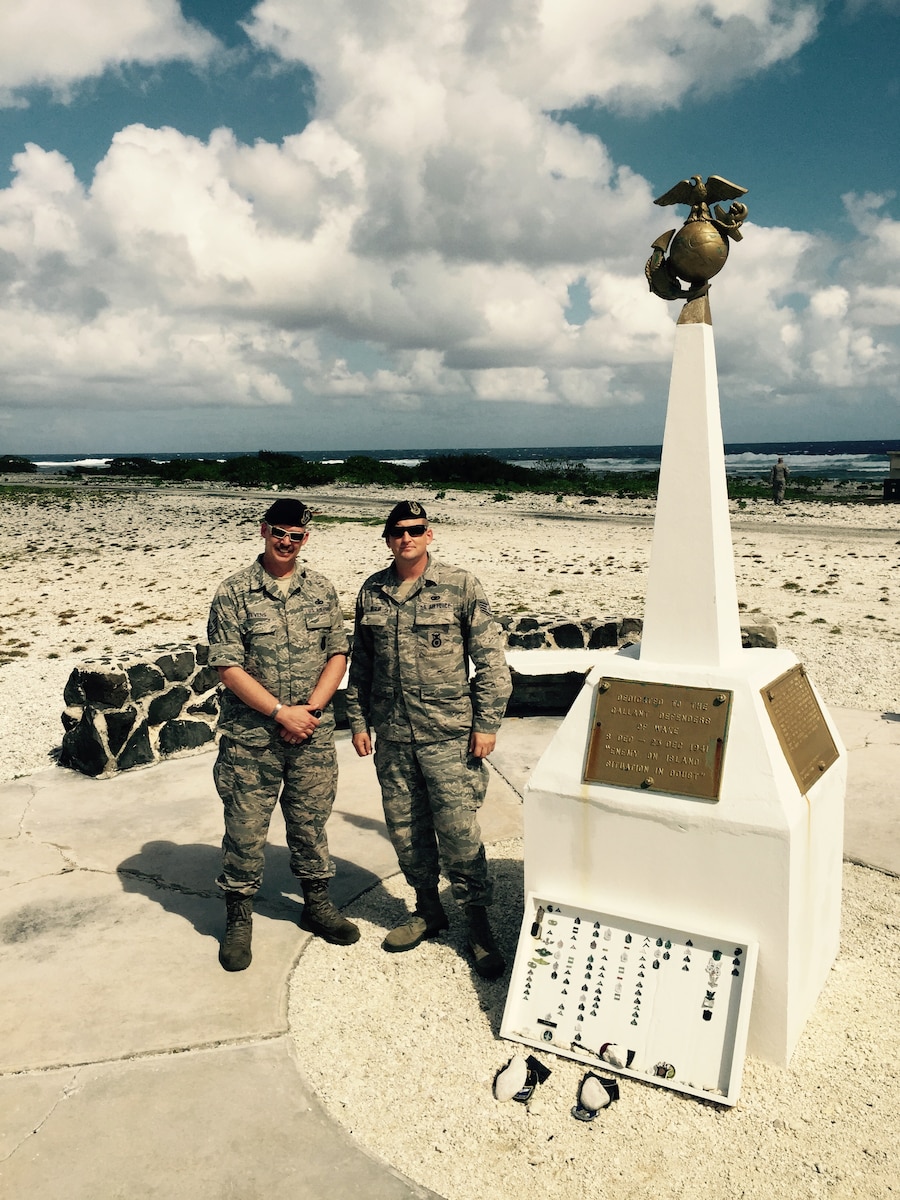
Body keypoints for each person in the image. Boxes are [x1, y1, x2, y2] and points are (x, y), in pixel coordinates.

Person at [345, 500, 512, 980]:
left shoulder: (459, 586)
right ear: (387, 538)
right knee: (407, 832)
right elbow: (363, 666)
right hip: (394, 738)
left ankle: (477, 923)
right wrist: (358, 721)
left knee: (460, 836)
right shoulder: (372, 591)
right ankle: (426, 909)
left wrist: (487, 723)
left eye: (415, 530)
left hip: (448, 737)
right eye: (397, 531)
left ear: (429, 534)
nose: (406, 538)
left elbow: (491, 663)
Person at [207, 497, 359, 972]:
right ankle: (238, 917)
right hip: (251, 740)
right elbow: (227, 667)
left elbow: (338, 653)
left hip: (311, 734)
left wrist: (309, 711)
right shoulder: (234, 593)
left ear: (305, 539)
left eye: (296, 536)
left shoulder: (322, 590)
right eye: (279, 532)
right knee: (246, 832)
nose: (287, 542)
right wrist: (280, 713)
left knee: (311, 826)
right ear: (263, 530)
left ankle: (316, 905)